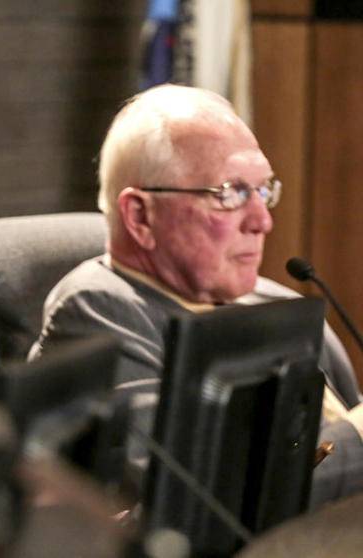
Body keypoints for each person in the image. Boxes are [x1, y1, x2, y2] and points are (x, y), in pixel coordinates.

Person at [29, 84, 363, 507]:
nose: (262, 220)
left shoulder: (274, 301)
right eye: (231, 193)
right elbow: (197, 508)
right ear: (140, 216)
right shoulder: (99, 312)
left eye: (263, 191)